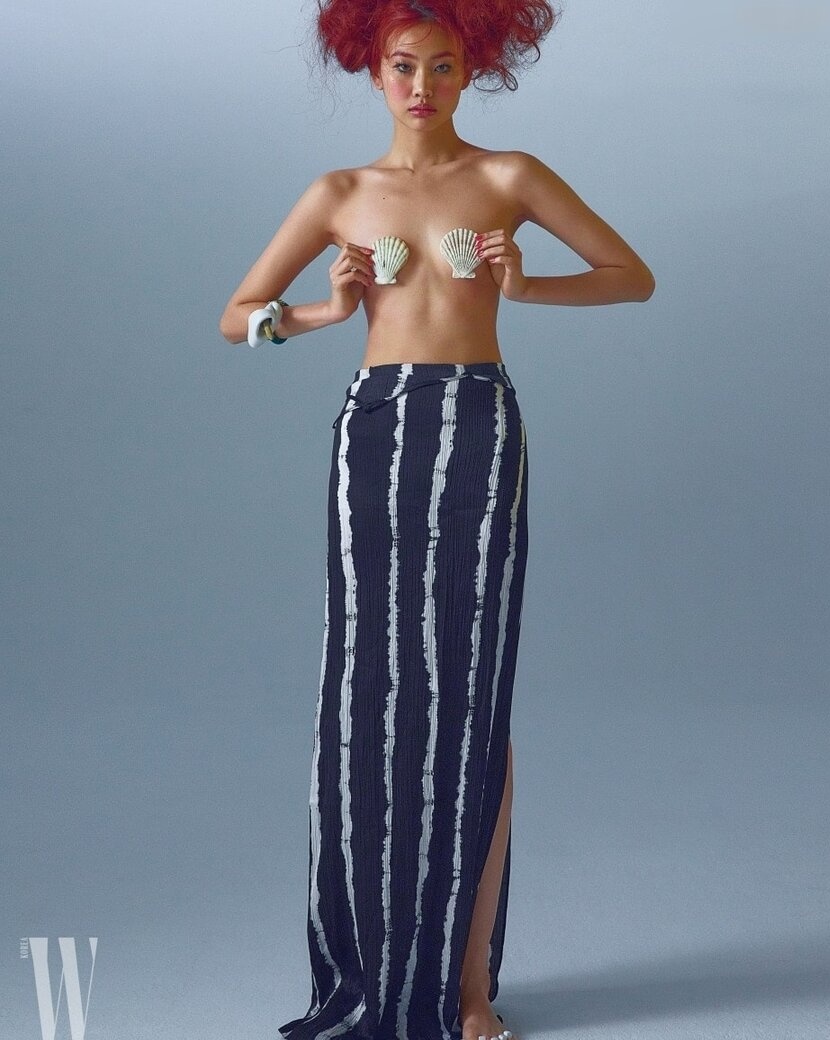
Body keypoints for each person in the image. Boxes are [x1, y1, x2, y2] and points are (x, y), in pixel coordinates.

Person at [219, 1, 655, 1039]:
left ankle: (465, 989)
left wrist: (522, 284)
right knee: (365, 694)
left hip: (477, 426)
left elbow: (631, 277)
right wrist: (323, 312)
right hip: (374, 431)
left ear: (474, 69)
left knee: (470, 695)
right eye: (403, 65)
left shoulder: (508, 176)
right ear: (371, 70)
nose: (422, 86)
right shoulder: (338, 194)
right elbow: (236, 317)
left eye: (444, 65)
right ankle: (370, 967)